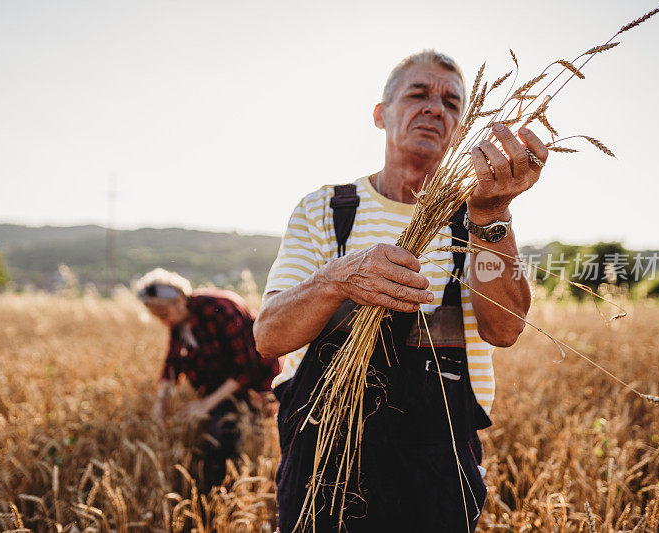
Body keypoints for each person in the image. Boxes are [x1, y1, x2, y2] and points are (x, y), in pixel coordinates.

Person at [254, 50, 546, 532]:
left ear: (462, 127)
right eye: (418, 93)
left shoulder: (478, 217)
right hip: (322, 450)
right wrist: (337, 278)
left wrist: (492, 217)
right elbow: (268, 337)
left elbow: (506, 329)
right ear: (380, 114)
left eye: (453, 102)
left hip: (437, 457)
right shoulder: (325, 209)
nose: (436, 108)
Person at [136, 268, 279, 488]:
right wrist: (160, 402)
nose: (163, 322)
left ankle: (228, 490)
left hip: (253, 386)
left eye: (164, 315)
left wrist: (206, 404)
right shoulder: (178, 321)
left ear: (180, 300)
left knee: (227, 434)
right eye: (158, 317)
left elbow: (245, 369)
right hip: (220, 384)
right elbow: (172, 363)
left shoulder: (220, 310)